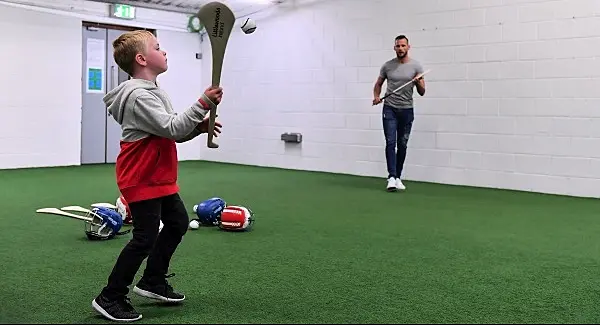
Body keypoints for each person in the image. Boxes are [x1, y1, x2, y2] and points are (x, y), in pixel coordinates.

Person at [91, 30, 224, 322]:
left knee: (177, 222)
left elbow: (171, 133)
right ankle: (110, 296)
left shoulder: (155, 91)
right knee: (144, 238)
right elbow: (173, 127)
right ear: (142, 59)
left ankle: (153, 280)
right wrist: (201, 103)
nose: (164, 53)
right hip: (142, 176)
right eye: (158, 48)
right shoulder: (139, 96)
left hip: (159, 176)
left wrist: (197, 128)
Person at [372, 35, 426, 192]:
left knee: (402, 144)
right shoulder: (388, 66)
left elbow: (422, 92)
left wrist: (418, 82)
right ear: (394, 48)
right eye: (398, 46)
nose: (401, 48)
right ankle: (391, 177)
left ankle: (398, 177)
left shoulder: (416, 66)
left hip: (407, 110)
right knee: (390, 142)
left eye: (403, 46)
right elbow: (378, 84)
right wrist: (376, 96)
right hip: (390, 108)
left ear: (408, 47)